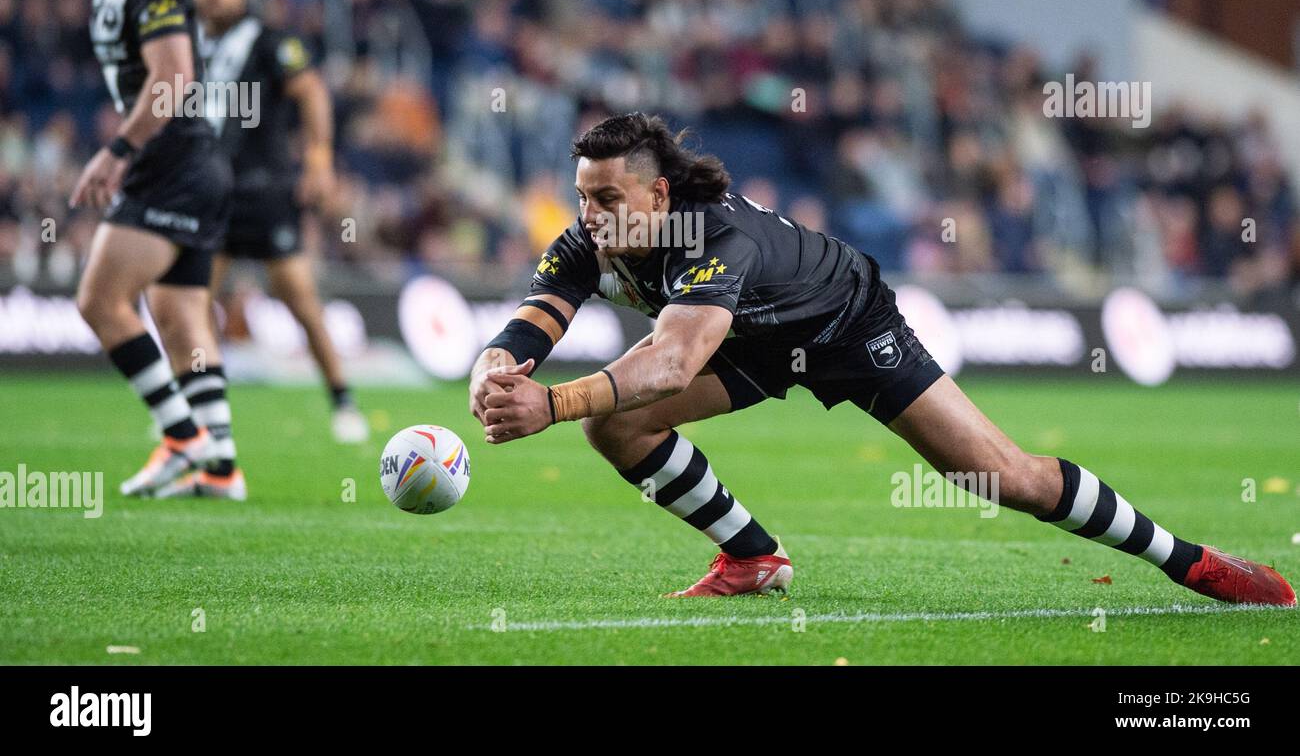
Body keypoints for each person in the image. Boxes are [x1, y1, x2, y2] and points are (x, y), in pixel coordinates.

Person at [470, 112, 1295, 604]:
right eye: (582, 195)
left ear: (657, 195)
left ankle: (1190, 561)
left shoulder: (713, 231)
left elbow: (674, 363)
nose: (590, 214)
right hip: (755, 342)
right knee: (617, 428)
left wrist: (550, 403)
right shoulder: (595, 233)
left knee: (1006, 475)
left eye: (607, 198)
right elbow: (540, 313)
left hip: (843, 323)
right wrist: (500, 363)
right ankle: (754, 557)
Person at [68, 0, 244, 499]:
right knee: (178, 314)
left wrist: (117, 151)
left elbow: (172, 78)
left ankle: (181, 436)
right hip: (197, 166)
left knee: (99, 301)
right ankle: (221, 467)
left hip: (170, 167)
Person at [190, 0, 368, 443]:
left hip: (264, 193)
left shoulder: (269, 41)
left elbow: (310, 91)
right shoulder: (191, 48)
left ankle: (342, 399)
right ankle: (203, 411)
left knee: (301, 302)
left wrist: (319, 157)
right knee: (193, 304)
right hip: (211, 195)